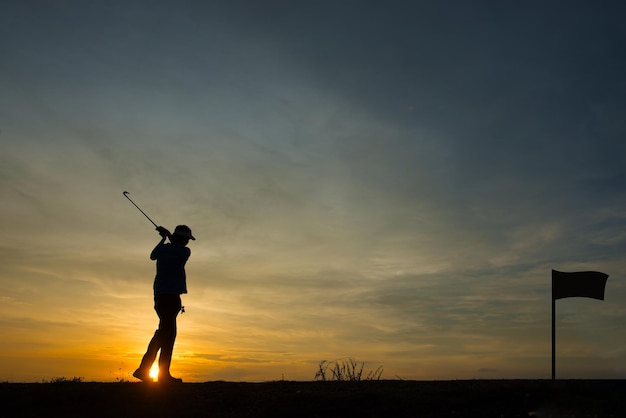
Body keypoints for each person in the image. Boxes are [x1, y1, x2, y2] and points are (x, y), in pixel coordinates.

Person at [133, 224, 195, 383]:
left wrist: (164, 238)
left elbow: (153, 255)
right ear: (183, 239)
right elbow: (169, 251)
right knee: (165, 334)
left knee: (166, 334)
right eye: (187, 239)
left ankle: (159, 373)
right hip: (171, 297)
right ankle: (147, 370)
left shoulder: (164, 249)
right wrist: (167, 236)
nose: (188, 242)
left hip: (160, 296)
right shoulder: (184, 251)